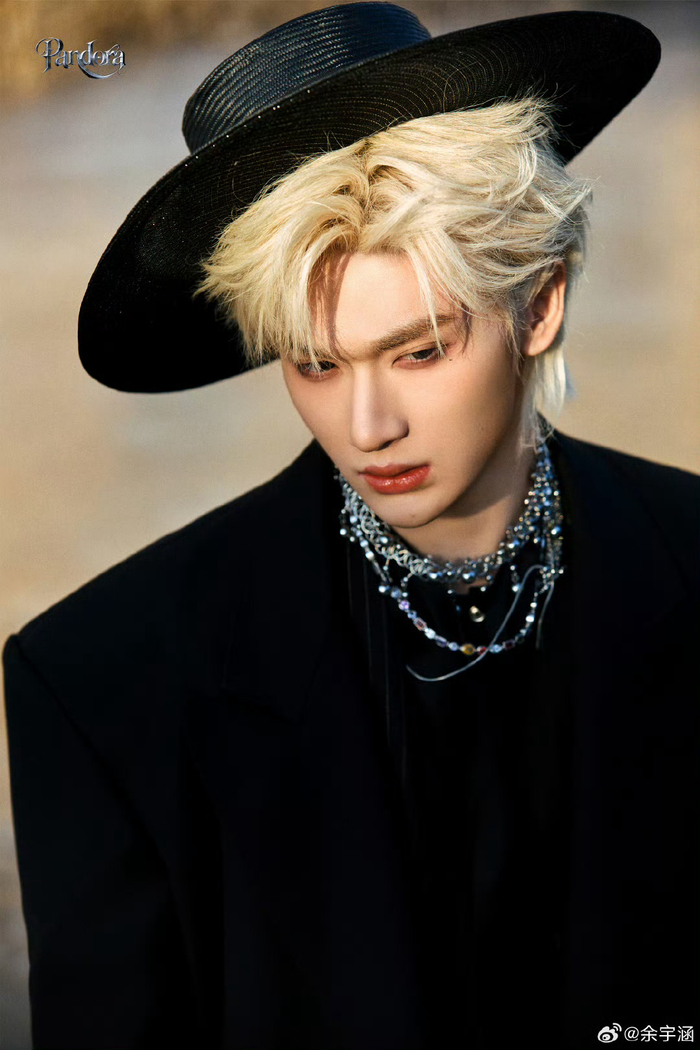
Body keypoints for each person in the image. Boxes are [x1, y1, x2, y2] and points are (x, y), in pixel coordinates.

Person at [3, 4, 698, 1049]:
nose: (368, 427)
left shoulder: (685, 564)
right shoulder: (104, 686)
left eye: (419, 350)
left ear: (540, 303)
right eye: (317, 363)